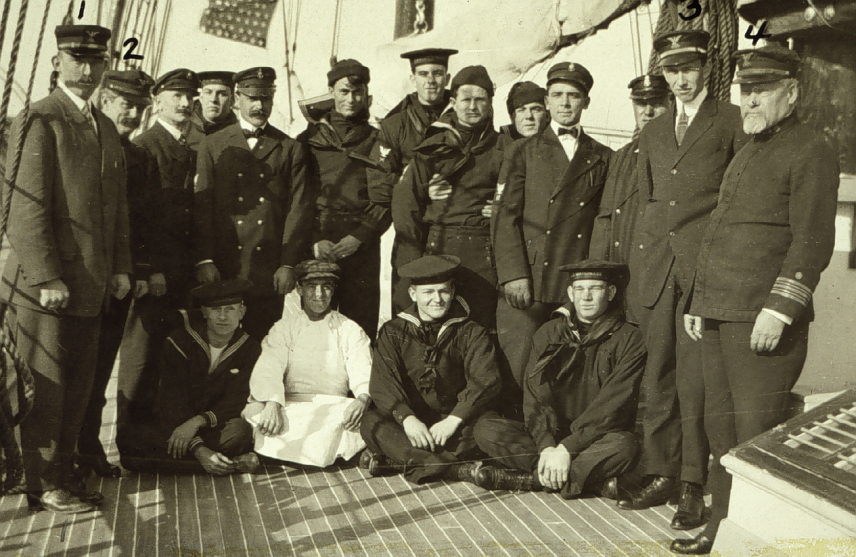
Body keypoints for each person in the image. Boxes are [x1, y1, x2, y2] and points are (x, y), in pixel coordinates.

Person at [675, 46, 839, 555]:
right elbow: (721, 232)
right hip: (720, 315)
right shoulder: (747, 151)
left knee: (755, 434)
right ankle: (722, 528)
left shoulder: (812, 149)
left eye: (762, 91)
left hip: (762, 320)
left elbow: (813, 240)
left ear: (791, 93)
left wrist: (780, 308)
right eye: (746, 91)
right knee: (720, 431)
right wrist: (700, 302)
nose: (750, 101)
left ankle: (755, 539)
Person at [618, 30, 747, 528]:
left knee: (695, 383)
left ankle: (694, 483)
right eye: (671, 71)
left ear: (705, 68)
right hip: (655, 271)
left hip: (702, 274)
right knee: (658, 377)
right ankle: (661, 473)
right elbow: (650, 202)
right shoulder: (652, 131)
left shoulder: (731, 120)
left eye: (688, 68)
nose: (680, 79)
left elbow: (734, 201)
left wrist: (712, 268)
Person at [0, 25, 131, 513]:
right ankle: (40, 484)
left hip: (92, 284)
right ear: (57, 62)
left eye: (96, 61)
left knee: (77, 387)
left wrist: (120, 267)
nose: (87, 69)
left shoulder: (105, 126)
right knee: (47, 389)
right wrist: (46, 276)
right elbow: (21, 209)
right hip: (46, 289)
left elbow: (116, 209)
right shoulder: (41, 118)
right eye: (76, 60)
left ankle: (62, 473)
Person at [473, 261, 646, 499]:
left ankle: (530, 479)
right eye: (580, 289)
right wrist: (546, 446)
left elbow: (612, 406)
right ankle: (582, 481)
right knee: (486, 428)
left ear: (611, 292)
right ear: (570, 294)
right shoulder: (550, 332)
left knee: (626, 446)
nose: (586, 297)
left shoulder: (629, 338)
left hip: (597, 436)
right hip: (553, 435)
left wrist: (568, 448)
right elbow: (536, 396)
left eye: (595, 288)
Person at [493, 61, 612, 406]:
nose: (565, 103)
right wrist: (514, 275)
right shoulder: (522, 152)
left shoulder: (602, 156)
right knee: (521, 369)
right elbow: (504, 218)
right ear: (547, 101)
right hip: (529, 281)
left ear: (586, 102)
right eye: (557, 95)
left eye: (574, 95)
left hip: (573, 284)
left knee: (568, 371)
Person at [115, 69, 202, 456]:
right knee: (141, 358)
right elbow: (139, 218)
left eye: (189, 97)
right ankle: (130, 443)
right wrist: (150, 270)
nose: (185, 104)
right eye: (176, 96)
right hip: (156, 276)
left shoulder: (190, 147)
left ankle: (154, 440)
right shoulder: (146, 146)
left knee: (168, 359)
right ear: (159, 101)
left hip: (182, 273)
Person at [193, 67, 314, 340]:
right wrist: (205, 259)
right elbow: (203, 207)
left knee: (263, 345)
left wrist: (288, 265)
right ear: (238, 99)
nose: (259, 106)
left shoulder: (290, 148)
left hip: (266, 269)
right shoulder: (213, 145)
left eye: (266, 99)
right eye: (252, 98)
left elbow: (298, 209)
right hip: (223, 265)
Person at [360, 255, 501, 484]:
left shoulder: (471, 331)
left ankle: (417, 462)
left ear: (453, 291)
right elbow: (382, 384)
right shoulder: (393, 330)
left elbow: (486, 381)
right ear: (413, 294)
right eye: (428, 292)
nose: (437, 299)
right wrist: (407, 419)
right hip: (412, 426)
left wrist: (454, 420)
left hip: (454, 424)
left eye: (443, 291)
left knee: (485, 428)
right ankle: (452, 468)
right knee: (372, 422)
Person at [76, 69, 155, 479]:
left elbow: (140, 222)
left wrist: (136, 270)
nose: (134, 114)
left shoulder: (138, 156)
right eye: (127, 104)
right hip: (82, 279)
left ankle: (88, 449)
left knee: (101, 366)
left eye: (140, 107)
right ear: (105, 100)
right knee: (74, 370)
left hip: (119, 281)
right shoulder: (81, 144)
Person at [392, 65, 506, 330]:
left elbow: (515, 197)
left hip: (483, 252)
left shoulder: (504, 148)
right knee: (436, 326)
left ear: (490, 103)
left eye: (480, 100)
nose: (472, 107)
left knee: (479, 326)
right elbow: (405, 206)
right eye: (466, 99)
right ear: (453, 102)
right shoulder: (432, 147)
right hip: (438, 246)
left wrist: (501, 208)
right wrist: (413, 264)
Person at [119, 280, 261, 476]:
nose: (223, 316)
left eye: (230, 309)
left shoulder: (250, 348)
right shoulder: (180, 341)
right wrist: (198, 448)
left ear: (241, 312)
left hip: (211, 425)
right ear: (204, 312)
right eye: (215, 309)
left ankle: (204, 461)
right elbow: (170, 398)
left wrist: (197, 423)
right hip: (175, 423)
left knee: (241, 433)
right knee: (129, 443)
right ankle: (233, 464)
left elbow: (236, 399)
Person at [242, 260, 372, 467]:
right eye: (312, 287)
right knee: (255, 411)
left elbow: (362, 366)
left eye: (326, 287)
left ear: (333, 290)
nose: (319, 294)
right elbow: (269, 365)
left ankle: (268, 458)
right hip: (289, 405)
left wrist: (363, 399)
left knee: (363, 418)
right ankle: (347, 456)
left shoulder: (349, 328)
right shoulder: (284, 327)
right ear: (299, 289)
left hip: (335, 406)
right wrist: (273, 403)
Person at [298, 60, 387, 338]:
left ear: (366, 95)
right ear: (331, 92)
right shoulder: (307, 141)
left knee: (359, 327)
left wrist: (360, 237)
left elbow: (386, 198)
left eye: (357, 92)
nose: (351, 99)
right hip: (320, 241)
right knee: (315, 327)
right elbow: (298, 198)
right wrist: (313, 241)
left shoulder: (378, 140)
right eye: (344, 91)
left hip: (362, 246)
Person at [367, 47, 458, 314]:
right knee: (407, 309)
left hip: (452, 230)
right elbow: (379, 186)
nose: (431, 80)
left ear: (447, 77)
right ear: (413, 79)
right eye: (423, 74)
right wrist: (420, 187)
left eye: (438, 74)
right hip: (410, 233)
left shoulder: (462, 118)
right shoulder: (395, 125)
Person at [588, 74, 671, 323]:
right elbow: (605, 218)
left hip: (654, 281)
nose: (647, 111)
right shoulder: (622, 156)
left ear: (670, 104)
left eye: (656, 103)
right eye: (640, 104)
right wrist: (598, 272)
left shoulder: (679, 154)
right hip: (619, 277)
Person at [186, 70, 238, 150]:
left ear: (232, 101)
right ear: (201, 98)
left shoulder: (239, 134)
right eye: (208, 92)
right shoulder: (183, 127)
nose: (213, 99)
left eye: (222, 94)